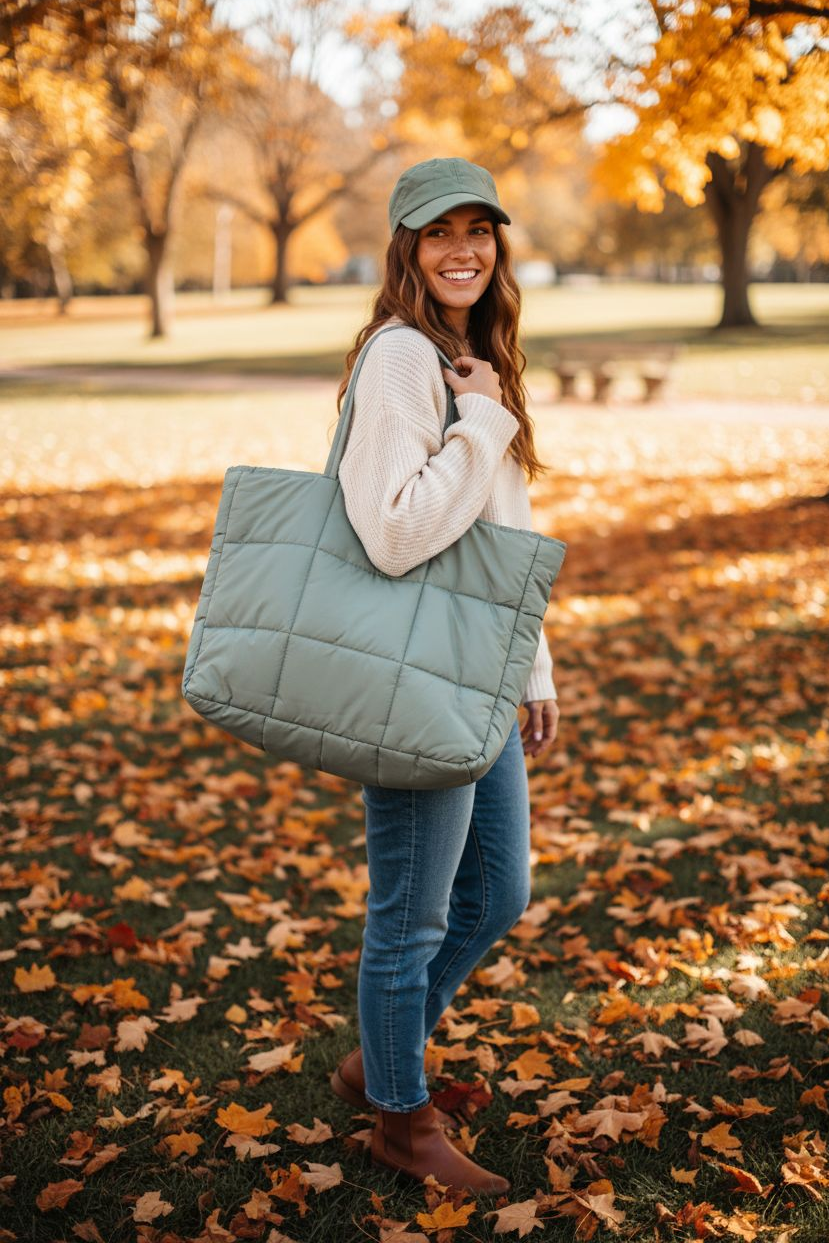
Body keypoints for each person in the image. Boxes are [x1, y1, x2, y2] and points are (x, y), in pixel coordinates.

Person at [328, 157, 560, 1195]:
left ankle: (384, 1057)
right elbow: (396, 533)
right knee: (413, 913)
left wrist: (532, 663)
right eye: (438, 233)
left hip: (476, 666)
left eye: (480, 229)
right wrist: (480, 427)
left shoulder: (469, 356)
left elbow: (498, 532)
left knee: (497, 891)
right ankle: (398, 1118)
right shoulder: (398, 359)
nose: (463, 248)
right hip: (414, 675)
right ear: (406, 249)